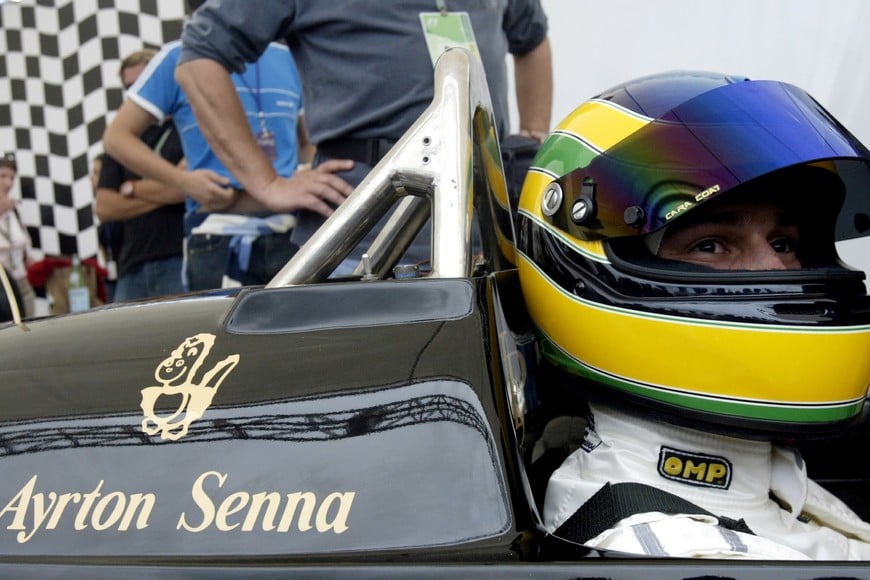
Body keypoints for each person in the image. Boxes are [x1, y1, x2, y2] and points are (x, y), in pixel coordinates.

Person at [515, 71, 870, 559]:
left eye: (784, 243)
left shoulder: (759, 477)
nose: (775, 269)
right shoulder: (679, 550)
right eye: (711, 244)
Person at [175, 0, 552, 273]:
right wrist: (268, 182)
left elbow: (532, 37)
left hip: (494, 237)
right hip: (364, 246)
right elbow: (199, 58)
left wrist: (533, 133)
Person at [102, 1, 352, 291]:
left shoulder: (290, 56)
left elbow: (304, 142)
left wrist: (308, 171)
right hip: (217, 234)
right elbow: (117, 138)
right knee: (220, 336)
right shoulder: (178, 56)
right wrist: (183, 181)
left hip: (292, 233)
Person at [95, 49, 188, 301]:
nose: (138, 91)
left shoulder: (186, 123)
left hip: (181, 257)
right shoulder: (120, 137)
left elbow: (186, 188)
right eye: (130, 87)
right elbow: (105, 207)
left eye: (144, 81)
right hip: (132, 266)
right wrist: (168, 187)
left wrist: (132, 189)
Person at [0, 152, 35, 317]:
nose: (8, 183)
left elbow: (25, 241)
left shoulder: (15, 209)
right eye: (3, 176)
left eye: (12, 178)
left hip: (22, 282)